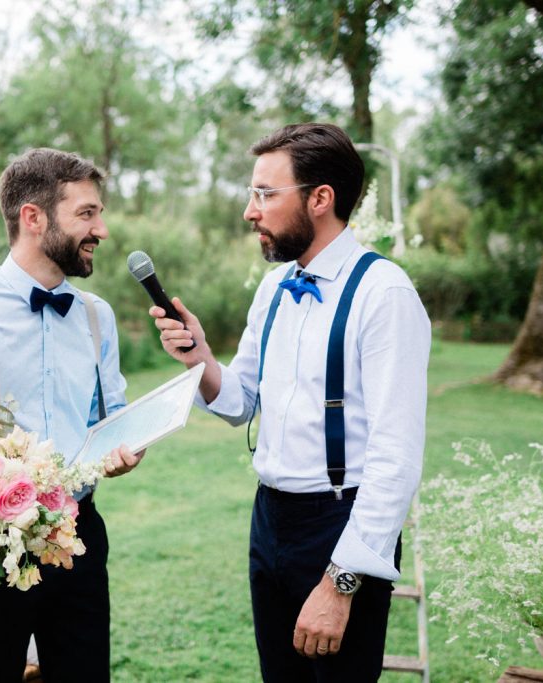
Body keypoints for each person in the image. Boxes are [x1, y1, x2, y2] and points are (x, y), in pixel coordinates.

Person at [150, 123, 430, 682]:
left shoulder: (384, 294)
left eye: (265, 194)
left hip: (339, 524)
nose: (250, 211)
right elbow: (238, 401)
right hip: (270, 520)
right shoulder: (275, 286)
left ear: (320, 198)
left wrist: (340, 581)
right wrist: (201, 357)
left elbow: (395, 459)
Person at [0, 147, 144, 683]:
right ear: (33, 218)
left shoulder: (97, 316)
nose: (100, 228)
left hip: (80, 533)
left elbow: (112, 414)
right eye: (86, 213)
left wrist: (127, 444)